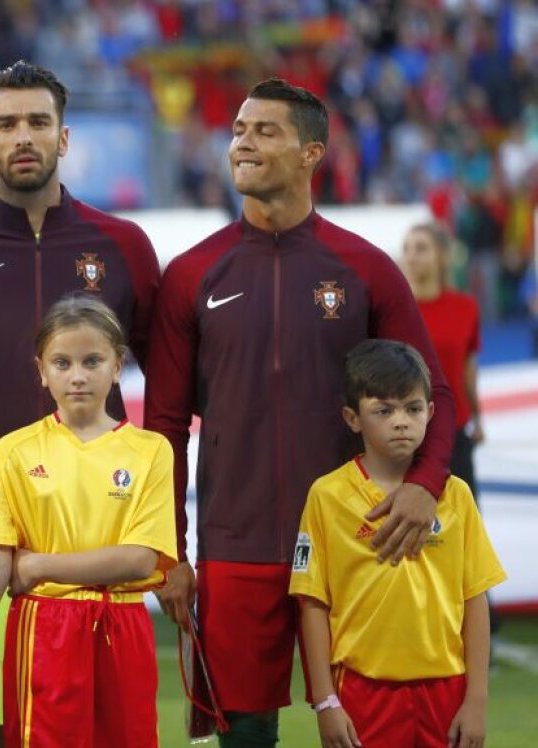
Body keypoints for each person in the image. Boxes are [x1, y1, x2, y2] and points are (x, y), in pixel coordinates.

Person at [143, 78, 457, 747]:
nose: (242, 144)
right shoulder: (193, 274)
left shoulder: (366, 268)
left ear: (312, 152)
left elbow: (441, 395)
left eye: (265, 131)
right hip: (234, 549)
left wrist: (426, 487)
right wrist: (168, 552)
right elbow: (163, 430)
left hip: (356, 541)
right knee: (246, 736)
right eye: (237, 131)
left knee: (369, 729)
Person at [0, 61, 159, 748]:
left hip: (101, 543)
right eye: (7, 124)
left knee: (101, 733)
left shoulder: (124, 247)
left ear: (64, 137)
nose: (24, 137)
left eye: (38, 123)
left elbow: (164, 385)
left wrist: (176, 543)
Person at [0, 296, 176, 747]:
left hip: (125, 624)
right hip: (45, 629)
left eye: (92, 360)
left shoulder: (150, 450)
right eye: (62, 362)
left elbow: (139, 560)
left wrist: (38, 567)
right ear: (42, 370)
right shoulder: (14, 451)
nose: (77, 375)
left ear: (118, 365)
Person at [291, 339, 505, 748]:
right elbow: (312, 604)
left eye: (412, 408)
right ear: (352, 418)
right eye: (383, 411)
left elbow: (475, 596)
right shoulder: (327, 496)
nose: (401, 421)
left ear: (431, 413)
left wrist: (476, 700)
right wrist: (325, 701)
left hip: (447, 690)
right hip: (361, 694)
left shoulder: (455, 494)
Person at [401, 223, 484, 495]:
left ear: (442, 256)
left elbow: (467, 368)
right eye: (407, 249)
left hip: (453, 429)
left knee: (463, 522)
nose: (411, 256)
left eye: (421, 248)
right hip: (404, 433)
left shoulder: (465, 307)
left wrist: (477, 416)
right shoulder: (392, 308)